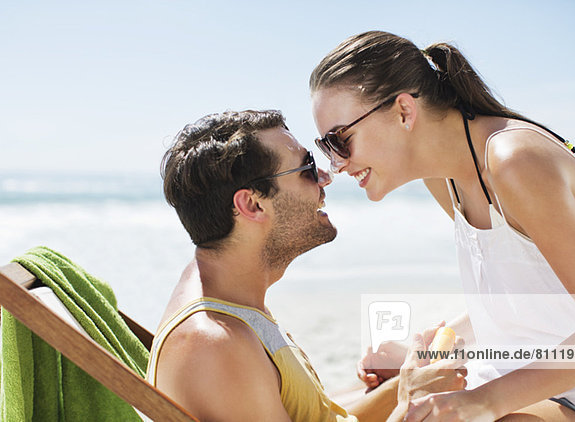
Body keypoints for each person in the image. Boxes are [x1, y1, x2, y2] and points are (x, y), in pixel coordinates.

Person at [310, 30, 575, 421]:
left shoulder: (514, 162)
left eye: (340, 140)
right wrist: (422, 354)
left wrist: (484, 402)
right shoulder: (443, 175)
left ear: (403, 111)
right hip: (515, 372)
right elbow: (514, 300)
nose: (337, 164)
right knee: (341, 404)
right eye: (325, 147)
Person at [145, 110, 466, 421]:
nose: (327, 177)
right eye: (308, 168)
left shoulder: (227, 296)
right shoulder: (215, 345)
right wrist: (413, 398)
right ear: (253, 204)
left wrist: (405, 382)